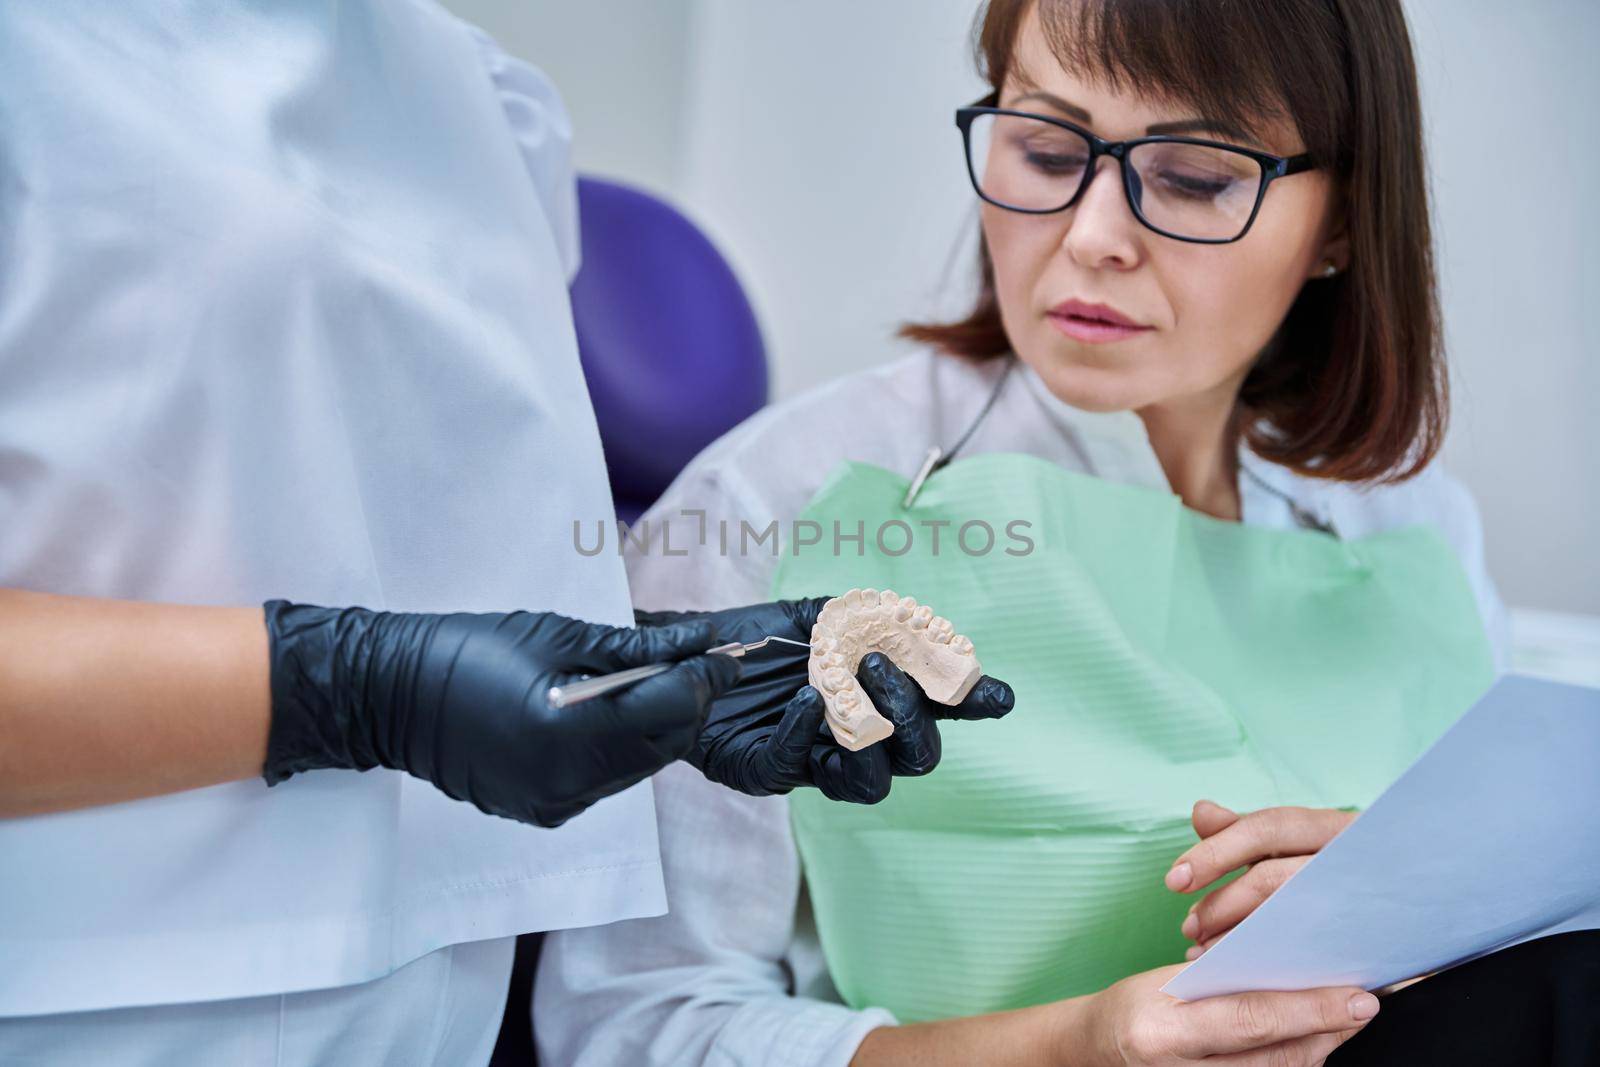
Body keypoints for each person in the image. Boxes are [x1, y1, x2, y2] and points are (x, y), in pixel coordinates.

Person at [530, 1, 1595, 1065]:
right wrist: (1072, 1046)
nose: (1091, 237)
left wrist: (1416, 909)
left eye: (1192, 177)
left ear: (1345, 223)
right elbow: (631, 1027)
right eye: (1044, 149)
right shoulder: (771, 510)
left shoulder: (1407, 531)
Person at [0, 3, 1011, 1063]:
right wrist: (358, 686)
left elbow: (359, 507)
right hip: (86, 989)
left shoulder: (477, 92)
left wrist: (641, 673)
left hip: (431, 999)